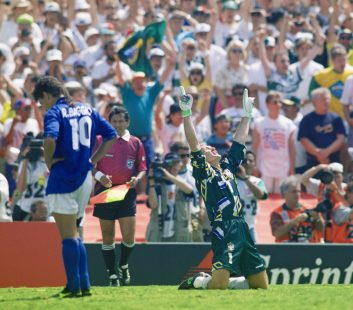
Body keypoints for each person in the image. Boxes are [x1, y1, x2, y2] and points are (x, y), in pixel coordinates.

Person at [32, 76, 117, 297]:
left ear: (48, 95)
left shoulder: (54, 113)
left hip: (63, 178)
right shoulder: (87, 109)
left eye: (41, 102)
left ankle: (74, 285)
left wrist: (49, 162)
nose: (42, 107)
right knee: (76, 233)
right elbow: (111, 135)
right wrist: (93, 160)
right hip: (84, 178)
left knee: (68, 236)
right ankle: (84, 284)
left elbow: (50, 139)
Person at [178, 86, 268, 290]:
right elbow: (193, 144)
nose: (211, 147)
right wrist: (186, 114)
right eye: (206, 148)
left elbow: (238, 142)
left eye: (210, 146)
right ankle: (200, 280)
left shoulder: (227, 167)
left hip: (242, 226)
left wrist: (247, 115)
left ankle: (227, 280)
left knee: (260, 285)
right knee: (217, 285)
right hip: (223, 227)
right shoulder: (204, 173)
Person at [93, 106, 147, 286]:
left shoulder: (135, 142)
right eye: (114, 121)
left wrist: (136, 179)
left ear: (127, 122)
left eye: (121, 121)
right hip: (105, 192)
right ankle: (112, 274)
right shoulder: (100, 140)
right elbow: (90, 164)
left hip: (126, 192)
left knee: (129, 236)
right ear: (109, 122)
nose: (117, 124)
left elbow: (142, 168)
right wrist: (101, 177)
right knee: (107, 235)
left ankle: (123, 264)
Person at [146, 152, 194, 242]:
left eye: (176, 163)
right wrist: (151, 184)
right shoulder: (157, 184)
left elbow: (189, 190)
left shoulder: (182, 182)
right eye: (170, 164)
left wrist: (169, 176)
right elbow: (153, 205)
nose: (174, 167)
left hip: (179, 231)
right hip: (159, 231)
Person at [298, 87, 346, 169]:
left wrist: (326, 152)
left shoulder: (336, 118)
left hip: (333, 160)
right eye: (324, 99)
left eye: (328, 99)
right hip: (313, 162)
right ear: (315, 102)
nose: (327, 102)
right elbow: (304, 139)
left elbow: (341, 138)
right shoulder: (307, 119)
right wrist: (319, 155)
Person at [270, 176, 324, 243]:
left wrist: (317, 218)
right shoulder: (277, 213)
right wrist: (295, 221)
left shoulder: (309, 208)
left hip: (310, 249)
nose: (297, 194)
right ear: (284, 194)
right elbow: (276, 233)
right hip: (287, 250)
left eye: (299, 191)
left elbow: (321, 229)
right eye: (294, 191)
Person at [236, 150, 268, 243]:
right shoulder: (230, 180)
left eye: (251, 161)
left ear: (255, 164)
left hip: (250, 226)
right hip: (232, 227)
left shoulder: (257, 181)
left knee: (254, 255)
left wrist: (245, 178)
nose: (248, 163)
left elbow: (262, 196)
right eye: (245, 160)